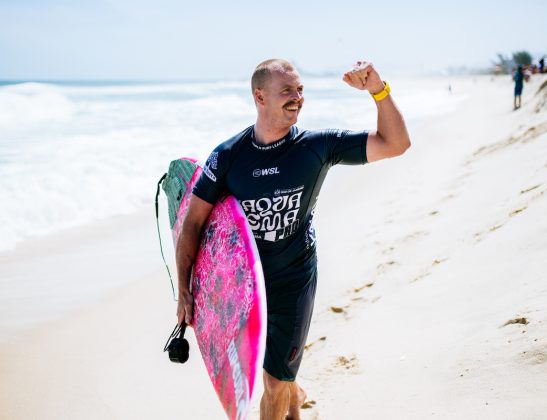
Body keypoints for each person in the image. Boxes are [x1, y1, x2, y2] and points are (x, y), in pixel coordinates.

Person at [174, 58, 410, 420]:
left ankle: (287, 388)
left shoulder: (317, 146)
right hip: (244, 286)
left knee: (273, 383)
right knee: (283, 379)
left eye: (300, 90)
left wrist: (378, 90)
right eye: (287, 90)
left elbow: (396, 144)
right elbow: (192, 224)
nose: (297, 97)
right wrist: (185, 289)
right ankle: (294, 393)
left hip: (294, 279)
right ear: (259, 97)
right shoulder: (227, 157)